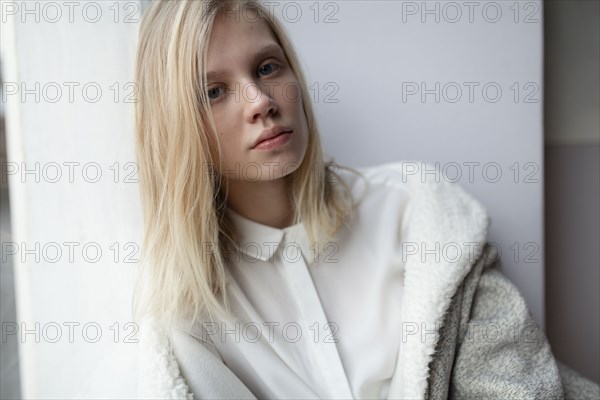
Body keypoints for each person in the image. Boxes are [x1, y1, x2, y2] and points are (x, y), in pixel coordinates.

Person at [132, 1, 600, 399]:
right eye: (214, 92)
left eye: (268, 67)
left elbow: (514, 379)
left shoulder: (416, 212)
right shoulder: (187, 307)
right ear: (176, 126)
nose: (260, 101)